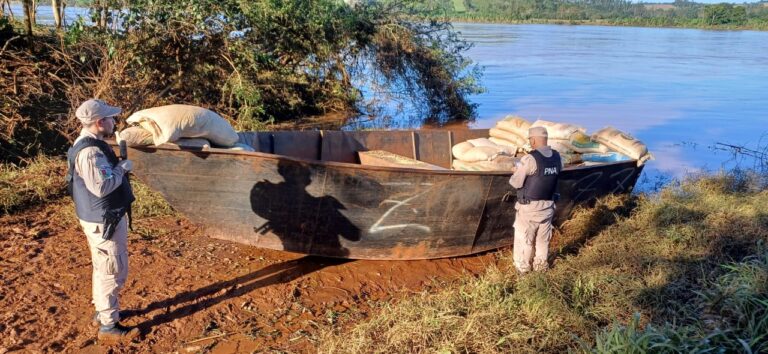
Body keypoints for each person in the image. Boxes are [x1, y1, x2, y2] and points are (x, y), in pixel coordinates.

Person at [65, 99, 138, 343]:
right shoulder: (91, 152)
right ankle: (109, 325)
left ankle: (104, 311)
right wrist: (123, 168)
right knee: (112, 269)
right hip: (104, 220)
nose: (113, 122)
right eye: (110, 118)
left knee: (102, 265)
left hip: (99, 218)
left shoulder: (89, 143)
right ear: (99, 122)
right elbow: (102, 186)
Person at [508, 126, 563, 274]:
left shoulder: (530, 158)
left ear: (532, 140)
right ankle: (541, 269)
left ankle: (523, 271)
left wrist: (516, 171)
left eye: (530, 140)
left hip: (529, 209)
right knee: (542, 241)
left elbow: (516, 183)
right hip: (548, 207)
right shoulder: (558, 157)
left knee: (524, 241)